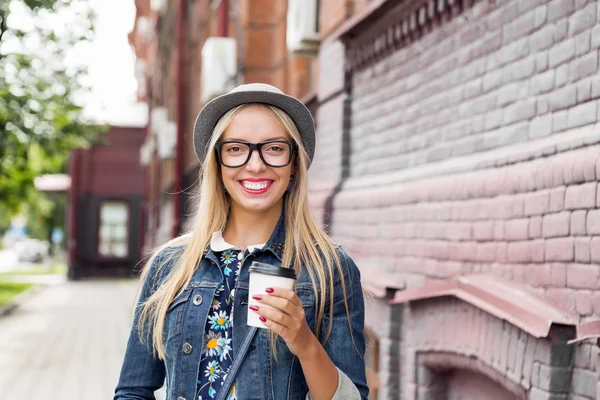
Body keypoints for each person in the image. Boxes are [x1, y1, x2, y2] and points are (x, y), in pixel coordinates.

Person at [114, 83, 368, 400]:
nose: (255, 164)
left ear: (293, 166)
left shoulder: (328, 268)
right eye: (236, 149)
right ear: (217, 165)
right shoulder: (171, 265)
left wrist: (304, 342)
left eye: (274, 148)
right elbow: (133, 390)